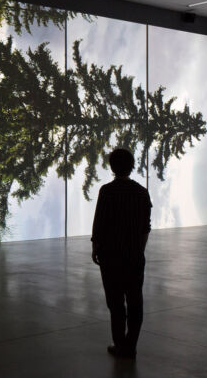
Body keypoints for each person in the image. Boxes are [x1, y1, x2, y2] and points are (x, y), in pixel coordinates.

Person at [91, 148, 152, 360]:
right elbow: (145, 228)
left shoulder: (107, 191)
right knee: (135, 302)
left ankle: (119, 345)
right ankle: (131, 346)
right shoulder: (142, 192)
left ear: (112, 167)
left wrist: (95, 247)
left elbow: (99, 224)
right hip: (134, 256)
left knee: (116, 303)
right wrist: (139, 251)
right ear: (132, 165)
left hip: (111, 257)